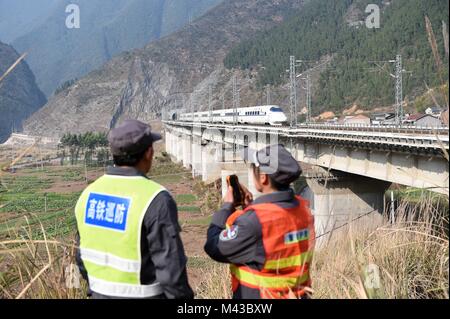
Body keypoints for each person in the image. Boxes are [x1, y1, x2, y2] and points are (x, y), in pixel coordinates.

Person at [74, 119, 194, 299]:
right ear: (149, 153)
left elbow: (80, 257)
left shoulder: (87, 195)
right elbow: (171, 271)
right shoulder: (156, 198)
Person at [204, 144, 315, 299]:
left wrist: (226, 206)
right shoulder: (303, 209)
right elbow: (275, 239)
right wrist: (251, 208)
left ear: (263, 177)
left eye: (253, 168)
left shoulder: (254, 222)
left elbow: (214, 247)